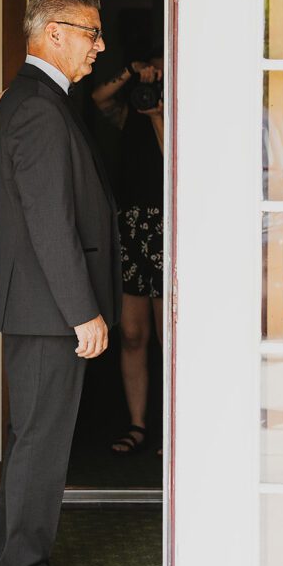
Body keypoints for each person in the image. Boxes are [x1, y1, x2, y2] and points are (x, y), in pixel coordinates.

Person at [0, 0, 122, 566]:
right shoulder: (39, 105)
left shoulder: (40, 98)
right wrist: (82, 311)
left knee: (32, 442)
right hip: (48, 311)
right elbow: (48, 221)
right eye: (91, 32)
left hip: (39, 308)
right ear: (53, 32)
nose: (100, 45)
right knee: (41, 443)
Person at [91, 53, 164, 455]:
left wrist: (158, 113)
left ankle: (172, 424)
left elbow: (177, 165)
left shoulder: (180, 108)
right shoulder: (128, 112)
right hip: (131, 226)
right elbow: (100, 97)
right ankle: (136, 424)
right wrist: (131, 72)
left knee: (168, 337)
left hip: (168, 228)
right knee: (133, 334)